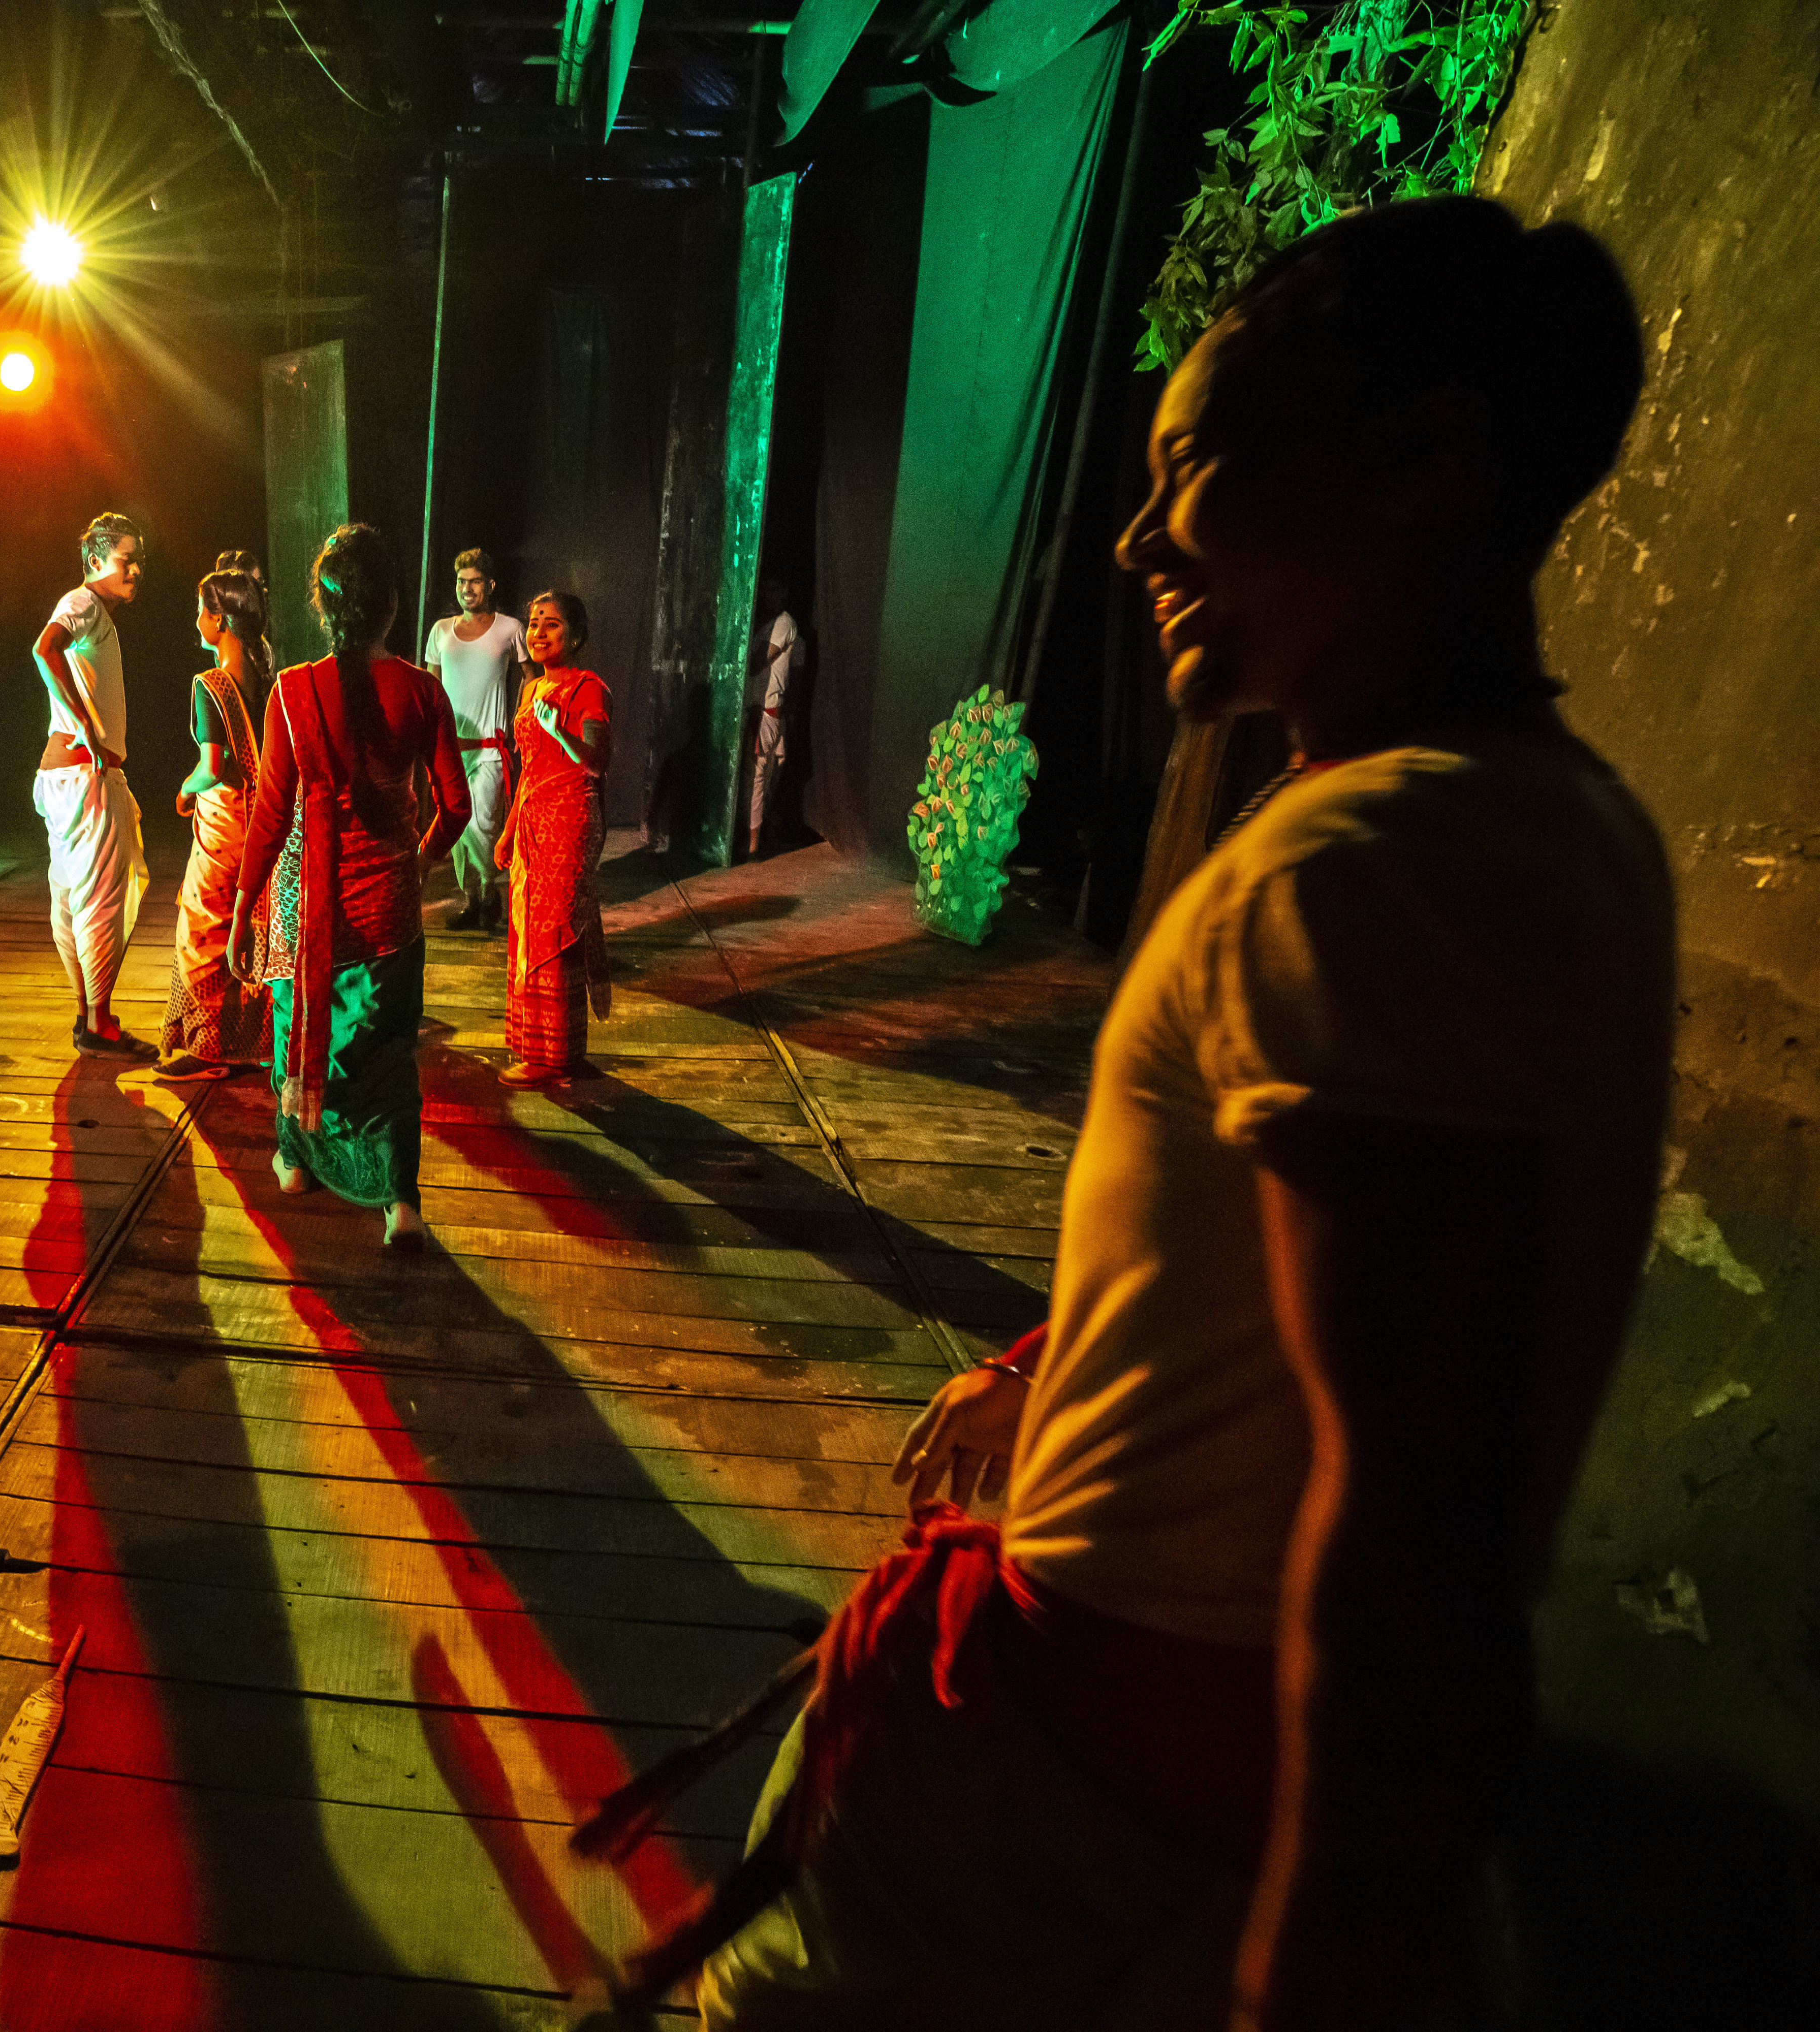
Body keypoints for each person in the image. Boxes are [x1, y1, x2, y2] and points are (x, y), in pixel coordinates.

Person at [677, 198, 1669, 2032]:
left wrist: (1338, 1933)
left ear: (1415, 463)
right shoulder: (1545, 817)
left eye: (1196, 468)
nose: (1136, 536)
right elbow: (1277, 1298)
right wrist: (1053, 1362)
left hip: (1088, 1763)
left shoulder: (1372, 861)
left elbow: (1414, 1498)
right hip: (1177, 1778)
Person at [229, 523, 469, 1247]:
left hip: (313, 912)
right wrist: (420, 858)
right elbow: (456, 807)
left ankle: (295, 1159)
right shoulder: (423, 691)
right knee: (388, 1051)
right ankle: (401, 1202)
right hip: (391, 906)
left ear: (323, 608)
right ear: (392, 605)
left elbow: (270, 817)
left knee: (298, 1029)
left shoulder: (294, 692)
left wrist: (242, 911)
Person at [32, 512, 153, 1059]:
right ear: (97, 561)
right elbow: (45, 648)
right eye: (128, 560)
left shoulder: (96, 612)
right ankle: (100, 1022)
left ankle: (88, 1015)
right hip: (84, 774)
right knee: (104, 897)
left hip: (65, 777)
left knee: (75, 896)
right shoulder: (82, 603)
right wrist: (83, 722)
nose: (137, 571)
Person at [156, 562, 274, 1078]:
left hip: (224, 821)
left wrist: (184, 790)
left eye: (200, 611)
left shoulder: (210, 683)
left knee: (204, 927)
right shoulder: (269, 676)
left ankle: (211, 1049)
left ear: (219, 619)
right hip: (263, 819)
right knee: (248, 926)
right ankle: (253, 1042)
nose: (195, 620)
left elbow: (211, 768)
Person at [497, 589, 612, 1089]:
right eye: (534, 622)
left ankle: (556, 1056)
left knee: (555, 934)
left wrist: (560, 731)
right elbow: (526, 769)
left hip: (570, 821)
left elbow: (597, 762)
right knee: (527, 932)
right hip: (532, 822)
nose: (538, 632)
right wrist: (507, 830)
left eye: (551, 624)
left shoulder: (588, 688)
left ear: (576, 634)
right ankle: (535, 1045)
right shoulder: (529, 691)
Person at [422, 547, 526, 928]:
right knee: (456, 823)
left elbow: (532, 678)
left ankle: (491, 888)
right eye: (462, 581)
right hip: (451, 746)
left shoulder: (510, 629)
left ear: (490, 585)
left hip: (490, 747)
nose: (467, 588)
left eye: (475, 581)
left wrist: (522, 718)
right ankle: (473, 900)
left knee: (481, 822)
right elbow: (430, 686)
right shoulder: (441, 631)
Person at [743, 574, 799, 860]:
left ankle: (753, 846)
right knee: (758, 779)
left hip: (768, 712)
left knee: (758, 777)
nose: (771, 595)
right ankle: (753, 839)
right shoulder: (765, 626)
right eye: (769, 589)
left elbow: (757, 663)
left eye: (778, 589)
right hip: (761, 711)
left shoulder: (785, 623)